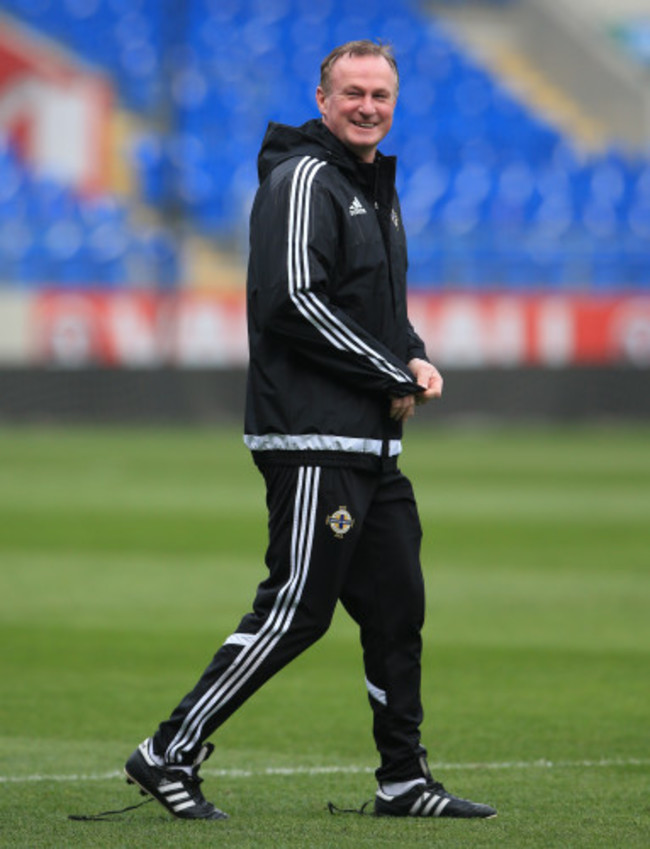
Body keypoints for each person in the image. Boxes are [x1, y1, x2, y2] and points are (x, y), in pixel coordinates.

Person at [124, 39, 496, 822]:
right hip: (312, 436)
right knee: (297, 607)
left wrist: (415, 358)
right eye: (353, 92)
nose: (368, 107)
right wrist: (392, 373)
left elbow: (376, 313)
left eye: (382, 96)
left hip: (369, 443)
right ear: (322, 98)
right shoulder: (303, 179)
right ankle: (168, 751)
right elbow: (292, 301)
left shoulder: (369, 184)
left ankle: (403, 779)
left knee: (398, 607)